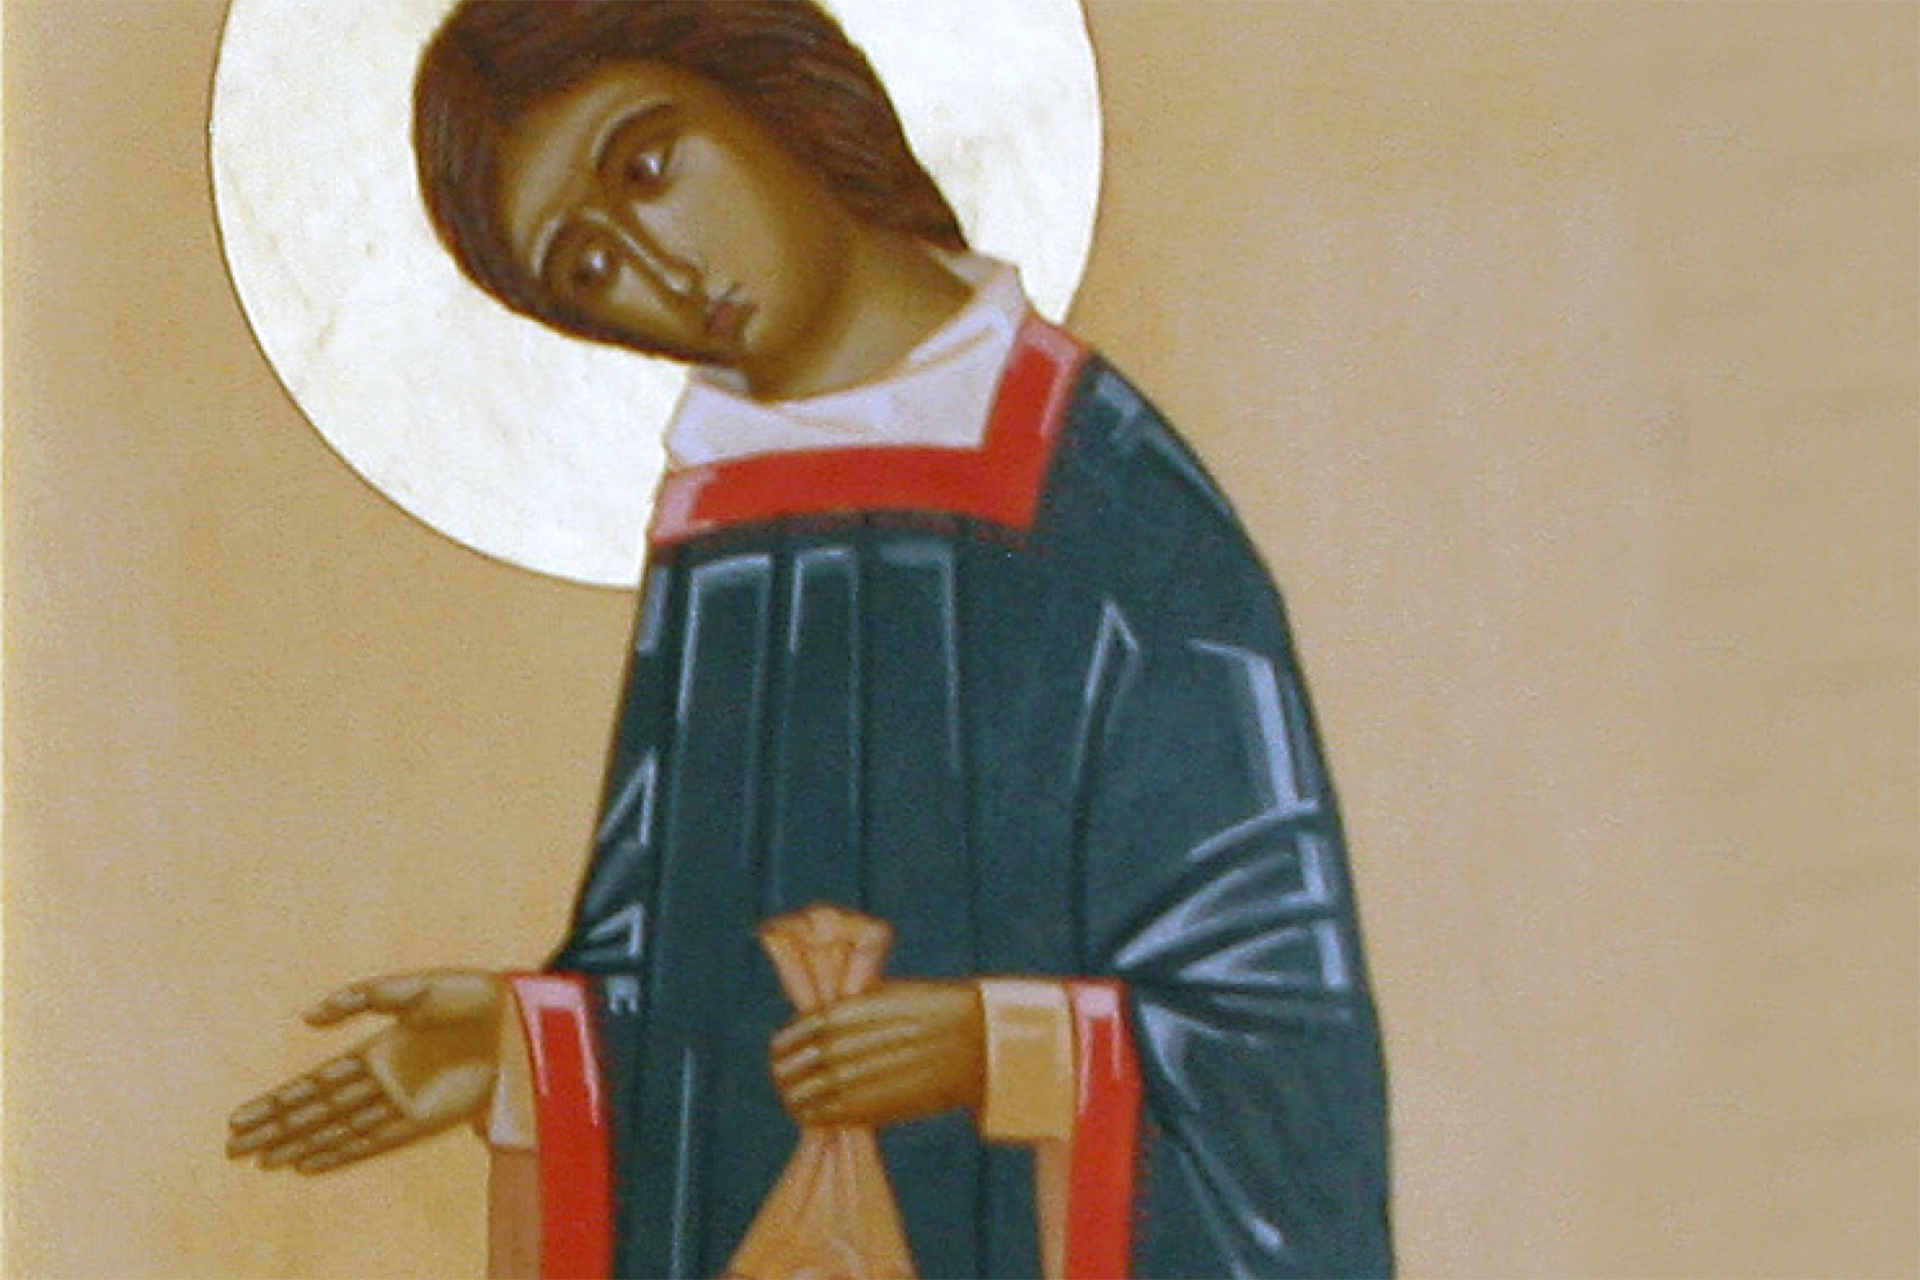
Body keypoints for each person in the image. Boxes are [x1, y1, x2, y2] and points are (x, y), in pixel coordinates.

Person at [228, 3, 1393, 1276]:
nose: (664, 272)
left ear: (772, 87)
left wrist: (996, 1047)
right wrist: (531, 1038)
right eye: (589, 267)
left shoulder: (1104, 494)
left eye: (649, 167)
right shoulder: (719, 533)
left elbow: (1277, 1038)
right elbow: (687, 981)